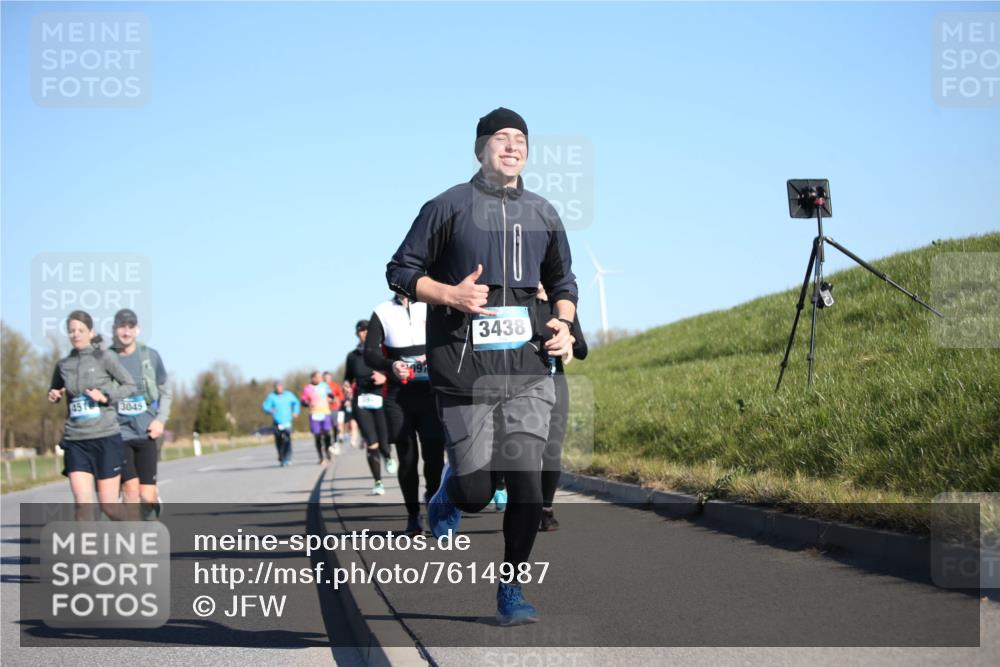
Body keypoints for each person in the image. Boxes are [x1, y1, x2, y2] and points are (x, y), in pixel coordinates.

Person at [386, 107, 578, 625]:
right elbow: (400, 271)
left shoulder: (543, 212)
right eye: (500, 138)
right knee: (474, 493)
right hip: (464, 368)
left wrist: (562, 323)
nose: (512, 146)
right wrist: (449, 293)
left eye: (520, 139)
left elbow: (564, 282)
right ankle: (450, 490)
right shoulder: (446, 206)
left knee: (528, 486)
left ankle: (510, 589)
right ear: (480, 148)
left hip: (530, 371)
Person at [364, 294, 446, 536]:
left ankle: (433, 500)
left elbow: (452, 338)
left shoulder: (434, 304)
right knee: (408, 458)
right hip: (399, 396)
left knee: (434, 455)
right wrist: (391, 366)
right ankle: (413, 515)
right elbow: (369, 352)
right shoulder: (382, 310)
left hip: (431, 392)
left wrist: (434, 356)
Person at [48, 310, 137, 520]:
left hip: (105, 437)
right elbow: (56, 389)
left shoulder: (104, 357)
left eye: (80, 330)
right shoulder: (63, 365)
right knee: (83, 505)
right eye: (72, 331)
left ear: (91, 332)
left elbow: (130, 385)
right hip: (76, 440)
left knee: (109, 508)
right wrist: (54, 394)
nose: (76, 334)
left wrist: (105, 396)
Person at [108, 308, 172, 517]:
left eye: (130, 327)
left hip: (146, 431)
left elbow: (165, 390)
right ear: (114, 329)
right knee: (130, 490)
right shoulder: (104, 359)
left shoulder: (150, 357)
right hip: (118, 433)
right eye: (121, 326)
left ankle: (153, 502)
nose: (126, 332)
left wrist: (160, 420)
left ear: (137, 329)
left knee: (147, 495)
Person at [534, 283, 588, 531]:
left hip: (557, 384)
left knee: (552, 450)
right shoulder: (523, 304)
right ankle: (525, 504)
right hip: (525, 387)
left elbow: (582, 351)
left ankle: (546, 509)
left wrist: (571, 338)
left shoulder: (563, 309)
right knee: (526, 451)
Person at [344, 319, 396, 495]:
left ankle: (387, 455)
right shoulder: (353, 356)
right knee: (371, 442)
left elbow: (395, 370)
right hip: (361, 401)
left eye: (367, 330)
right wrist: (346, 386)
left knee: (383, 440)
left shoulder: (381, 351)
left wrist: (385, 377)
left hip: (381, 398)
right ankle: (378, 482)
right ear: (357, 333)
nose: (364, 333)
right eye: (361, 330)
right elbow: (348, 377)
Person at [301, 371, 337, 465]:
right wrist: (308, 403)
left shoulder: (324, 385)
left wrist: (331, 398)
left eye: (321, 377)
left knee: (327, 433)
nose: (321, 379)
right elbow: (303, 401)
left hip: (325, 412)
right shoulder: (307, 388)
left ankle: (328, 452)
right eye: (318, 377)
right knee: (317, 435)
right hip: (314, 414)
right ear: (313, 378)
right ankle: (321, 457)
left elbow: (331, 395)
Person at [262, 381, 300, 466]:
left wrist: (295, 411)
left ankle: (288, 457)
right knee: (279, 440)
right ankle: (281, 456)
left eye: (280, 386)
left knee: (287, 439)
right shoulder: (271, 396)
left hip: (287, 421)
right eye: (277, 387)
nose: (279, 388)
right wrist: (269, 410)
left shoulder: (289, 395)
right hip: (277, 421)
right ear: (275, 388)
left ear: (283, 387)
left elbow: (296, 403)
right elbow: (265, 406)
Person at [322, 371, 346, 456]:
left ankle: (335, 441)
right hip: (323, 409)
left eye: (328, 378)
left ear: (331, 378)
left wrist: (334, 399)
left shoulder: (335, 385)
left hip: (334, 408)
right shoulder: (321, 386)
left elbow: (341, 396)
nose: (327, 379)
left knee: (334, 425)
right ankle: (327, 444)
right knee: (326, 428)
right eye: (325, 378)